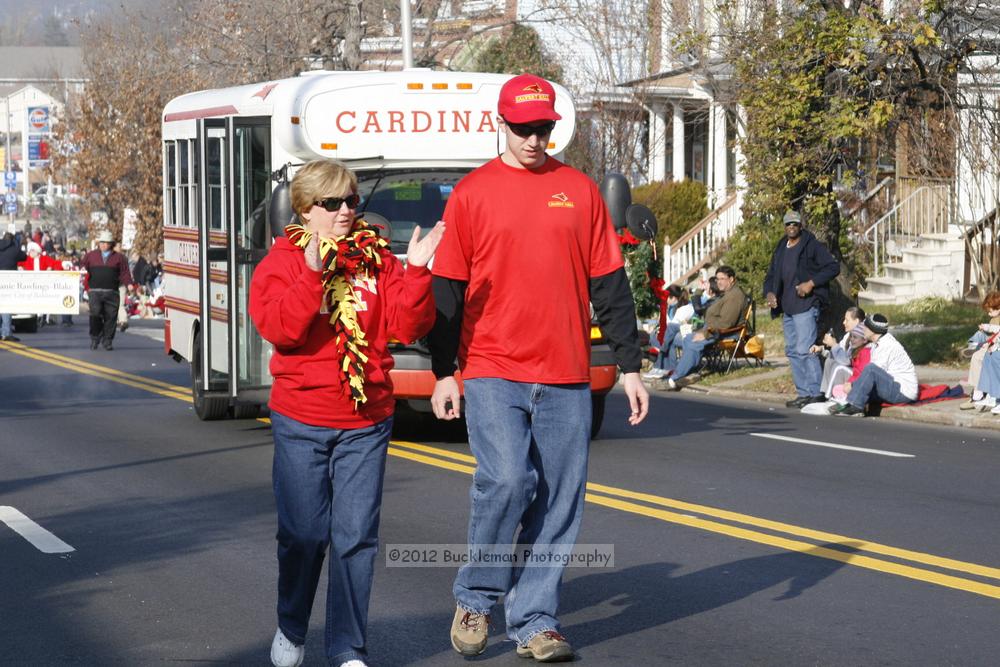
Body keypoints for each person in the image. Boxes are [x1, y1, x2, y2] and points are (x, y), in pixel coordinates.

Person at [427, 73, 649, 663]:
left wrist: (630, 366)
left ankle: (534, 620)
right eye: (523, 128)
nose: (533, 139)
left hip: (565, 371)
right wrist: (443, 370)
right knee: (505, 481)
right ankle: (476, 596)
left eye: (544, 128)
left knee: (559, 497)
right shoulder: (473, 193)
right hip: (492, 366)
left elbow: (609, 282)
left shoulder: (578, 192)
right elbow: (447, 289)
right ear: (500, 124)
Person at [249, 159, 444, 667]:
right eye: (332, 203)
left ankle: (346, 648)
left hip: (367, 418)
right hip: (302, 418)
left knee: (355, 539)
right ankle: (292, 626)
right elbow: (282, 330)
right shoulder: (283, 262)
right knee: (304, 535)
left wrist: (418, 271)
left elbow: (406, 323)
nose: (345, 211)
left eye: (352, 201)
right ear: (306, 209)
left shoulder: (377, 257)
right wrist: (313, 275)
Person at [764, 210, 841, 408]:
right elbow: (771, 275)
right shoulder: (781, 247)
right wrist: (770, 294)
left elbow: (833, 267)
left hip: (806, 306)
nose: (792, 227)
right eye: (788, 224)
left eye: (795, 224)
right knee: (792, 351)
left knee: (805, 350)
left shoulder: (812, 245)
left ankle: (816, 393)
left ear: (801, 226)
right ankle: (803, 393)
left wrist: (811, 283)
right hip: (787, 308)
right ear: (784, 226)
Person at [666, 265, 748, 390]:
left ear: (731, 279)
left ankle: (677, 376)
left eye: (722, 279)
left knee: (693, 342)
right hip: (713, 329)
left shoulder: (734, 296)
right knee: (688, 338)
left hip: (724, 333)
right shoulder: (726, 294)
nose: (719, 282)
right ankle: (690, 371)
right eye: (717, 279)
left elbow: (726, 323)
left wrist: (705, 334)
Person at [828, 313, 918, 416]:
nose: (863, 329)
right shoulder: (878, 343)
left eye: (865, 326)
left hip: (903, 392)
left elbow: (873, 373)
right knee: (864, 385)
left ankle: (855, 406)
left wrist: (853, 385)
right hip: (893, 385)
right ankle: (846, 403)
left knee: (871, 369)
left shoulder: (886, 345)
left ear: (873, 330)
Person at [80, 230, 133, 350]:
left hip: (112, 292)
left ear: (111, 244)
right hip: (94, 291)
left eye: (106, 243)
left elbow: (125, 273)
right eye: (102, 242)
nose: (103, 245)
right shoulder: (91, 255)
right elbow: (83, 267)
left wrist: (129, 284)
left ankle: (107, 341)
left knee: (111, 317)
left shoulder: (119, 258)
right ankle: (95, 338)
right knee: (95, 315)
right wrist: (82, 271)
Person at [809, 305, 866, 399]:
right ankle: (825, 393)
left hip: (858, 375)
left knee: (838, 367)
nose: (843, 322)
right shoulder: (848, 336)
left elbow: (846, 361)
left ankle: (830, 396)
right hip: (850, 371)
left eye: (847, 320)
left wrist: (834, 345)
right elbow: (839, 355)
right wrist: (822, 350)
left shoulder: (862, 336)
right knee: (830, 360)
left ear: (856, 321)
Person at [644, 284, 695, 379]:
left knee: (669, 331)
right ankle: (666, 368)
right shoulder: (670, 308)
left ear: (674, 298)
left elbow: (674, 325)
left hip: (685, 335)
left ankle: (659, 363)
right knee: (657, 335)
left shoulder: (686, 308)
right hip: (673, 336)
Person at [0, 225, 28, 341]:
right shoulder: (14, 250)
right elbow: (24, 257)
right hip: (8, 281)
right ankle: (6, 332)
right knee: (6, 305)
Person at [961, 291, 1000, 359]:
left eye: (990, 312)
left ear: (998, 309)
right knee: (980, 334)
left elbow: (997, 329)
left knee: (981, 336)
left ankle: (976, 348)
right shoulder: (993, 319)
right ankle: (972, 348)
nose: (989, 314)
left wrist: (986, 327)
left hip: (997, 340)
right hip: (991, 338)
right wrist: (984, 329)